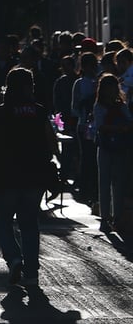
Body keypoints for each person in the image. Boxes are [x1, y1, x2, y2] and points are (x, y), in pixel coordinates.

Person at [0, 67, 57, 288]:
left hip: (5, 175)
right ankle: (31, 273)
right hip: (34, 175)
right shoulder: (39, 112)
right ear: (30, 87)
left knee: (1, 220)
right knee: (29, 223)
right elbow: (52, 142)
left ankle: (13, 258)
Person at [92, 73, 133, 233]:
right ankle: (105, 217)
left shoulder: (121, 105)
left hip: (119, 147)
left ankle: (116, 216)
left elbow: (129, 120)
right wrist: (120, 128)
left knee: (118, 182)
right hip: (105, 146)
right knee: (105, 181)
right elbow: (100, 125)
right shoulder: (99, 106)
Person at [71, 50, 100, 207]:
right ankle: (85, 188)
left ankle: (94, 189)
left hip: (98, 125)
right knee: (86, 157)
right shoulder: (79, 83)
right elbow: (74, 107)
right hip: (84, 125)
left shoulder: (98, 81)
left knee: (94, 159)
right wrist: (85, 105)